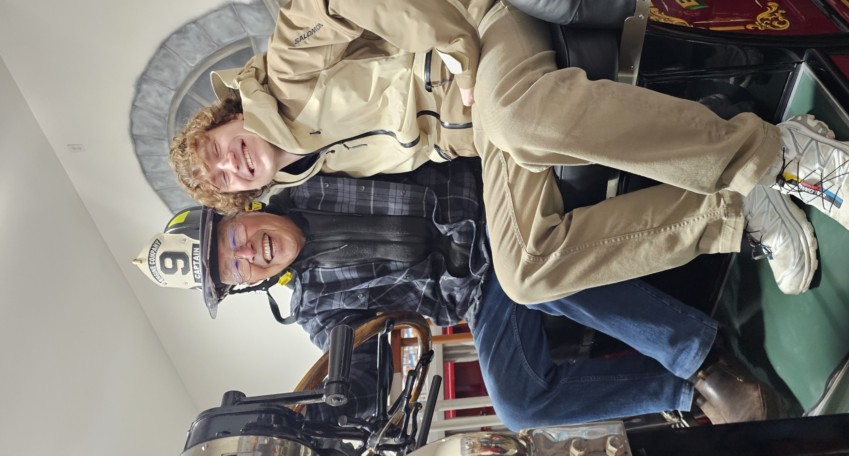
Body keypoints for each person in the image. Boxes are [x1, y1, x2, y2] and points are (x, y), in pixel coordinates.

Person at [168, 0, 849, 302]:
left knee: (518, 121)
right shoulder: (313, 168)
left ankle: (782, 152)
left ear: (228, 119)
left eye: (220, 148)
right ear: (245, 194)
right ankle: (735, 208)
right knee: (523, 272)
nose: (231, 163)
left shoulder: (284, 74)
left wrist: (452, 48)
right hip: (485, 129)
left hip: (481, 35)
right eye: (224, 178)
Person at [135, 159, 782, 430]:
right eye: (234, 271)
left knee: (527, 271)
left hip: (488, 207)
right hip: (477, 293)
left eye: (233, 239)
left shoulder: (307, 172)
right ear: (246, 286)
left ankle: (704, 358)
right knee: (519, 406)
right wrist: (336, 407)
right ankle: (686, 393)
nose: (247, 254)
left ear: (241, 211)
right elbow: (360, 365)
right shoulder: (313, 308)